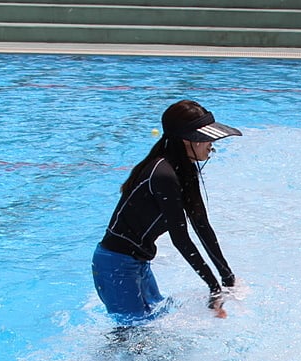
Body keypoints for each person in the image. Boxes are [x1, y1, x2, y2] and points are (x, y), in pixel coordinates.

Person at [94, 100, 241, 320]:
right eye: (206, 138)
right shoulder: (163, 174)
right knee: (131, 335)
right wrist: (213, 288)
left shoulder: (184, 169)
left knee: (156, 321)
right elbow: (180, 238)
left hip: (138, 262)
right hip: (116, 265)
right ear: (186, 139)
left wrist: (228, 279)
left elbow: (201, 225)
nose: (211, 144)